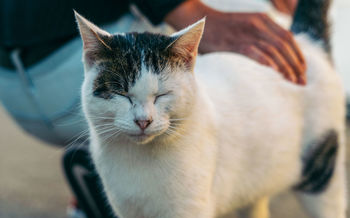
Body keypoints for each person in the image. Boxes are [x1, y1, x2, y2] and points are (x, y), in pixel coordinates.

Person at [0, 0, 304, 147]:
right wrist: (189, 11)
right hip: (68, 89)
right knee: (172, 70)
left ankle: (97, 176)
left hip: (14, 92)